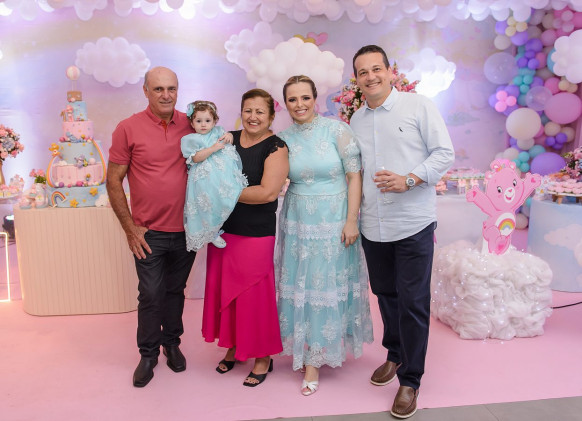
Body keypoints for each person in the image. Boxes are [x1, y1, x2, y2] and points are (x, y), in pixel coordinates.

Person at [350, 45, 455, 418]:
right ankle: (395, 354)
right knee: (386, 295)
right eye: (363, 72)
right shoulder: (356, 119)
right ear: (357, 79)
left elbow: (444, 153)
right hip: (373, 225)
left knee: (412, 302)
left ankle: (410, 380)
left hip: (413, 223)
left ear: (390, 71)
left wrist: (409, 179)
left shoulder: (418, 106)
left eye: (376, 68)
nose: (371, 76)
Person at [276, 75, 374, 396]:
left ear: (315, 99)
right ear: (285, 103)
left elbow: (355, 177)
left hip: (334, 220)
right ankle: (307, 346)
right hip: (298, 220)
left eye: (305, 97)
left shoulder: (337, 130)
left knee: (324, 284)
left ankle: (315, 358)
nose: (300, 104)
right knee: (302, 285)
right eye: (292, 99)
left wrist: (351, 220)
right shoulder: (282, 139)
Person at [107, 66, 196, 388]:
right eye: (158, 89)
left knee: (175, 291)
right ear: (145, 91)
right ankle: (147, 355)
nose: (166, 95)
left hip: (187, 230)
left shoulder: (193, 124)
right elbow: (113, 180)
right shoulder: (127, 128)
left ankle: (171, 344)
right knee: (150, 294)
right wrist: (130, 228)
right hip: (148, 233)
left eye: (171, 88)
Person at [201, 89, 289, 387]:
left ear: (271, 117)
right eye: (248, 110)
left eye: (260, 112)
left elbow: (267, 192)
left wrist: (222, 192)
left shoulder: (277, 147)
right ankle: (234, 346)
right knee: (228, 293)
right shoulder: (227, 139)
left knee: (254, 295)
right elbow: (206, 171)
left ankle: (263, 356)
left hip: (255, 233)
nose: (253, 117)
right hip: (224, 231)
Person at [181, 100, 247, 251]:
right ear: (192, 123)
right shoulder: (190, 139)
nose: (203, 124)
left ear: (215, 121)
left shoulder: (218, 131)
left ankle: (216, 227)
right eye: (198, 121)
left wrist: (229, 135)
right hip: (203, 177)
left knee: (223, 199)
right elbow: (195, 158)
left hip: (221, 174)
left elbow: (227, 139)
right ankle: (211, 231)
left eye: (207, 120)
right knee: (206, 201)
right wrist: (213, 148)